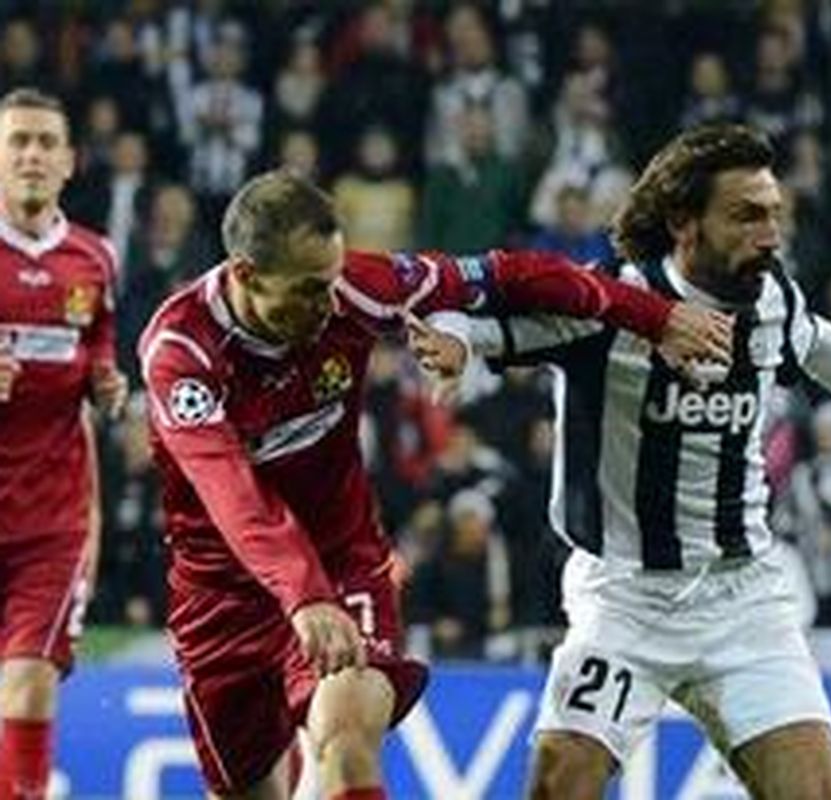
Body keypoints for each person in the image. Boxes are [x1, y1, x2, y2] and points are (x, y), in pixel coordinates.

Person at [136, 169, 730, 800]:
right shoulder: (182, 353)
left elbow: (509, 276)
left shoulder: (356, 290)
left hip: (343, 564)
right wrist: (299, 595)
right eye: (309, 290)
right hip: (222, 591)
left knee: (345, 738)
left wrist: (651, 315)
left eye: (333, 280)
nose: (327, 303)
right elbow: (230, 486)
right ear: (245, 274)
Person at [444, 124, 831, 799]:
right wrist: (459, 340)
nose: (770, 235)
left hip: (742, 599)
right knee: (559, 785)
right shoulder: (608, 304)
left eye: (775, 214)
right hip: (625, 600)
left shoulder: (773, 299)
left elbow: (818, 344)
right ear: (684, 223)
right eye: (747, 216)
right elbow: (489, 324)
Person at [0, 87, 127, 800]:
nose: (31, 155)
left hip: (51, 523)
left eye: (46, 142)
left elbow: (99, 344)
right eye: (18, 140)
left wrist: (107, 384)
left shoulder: (94, 259)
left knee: (27, 689)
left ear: (70, 161)